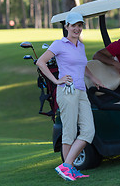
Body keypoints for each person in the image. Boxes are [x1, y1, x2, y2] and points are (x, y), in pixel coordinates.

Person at [36, 12, 103, 181]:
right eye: (73, 25)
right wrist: (57, 80)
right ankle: (69, 168)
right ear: (66, 27)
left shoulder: (80, 46)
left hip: (81, 91)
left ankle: (66, 166)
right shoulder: (59, 44)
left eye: (79, 25)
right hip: (67, 92)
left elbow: (83, 65)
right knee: (70, 132)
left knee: (88, 131)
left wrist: (94, 78)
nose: (77, 28)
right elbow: (40, 62)